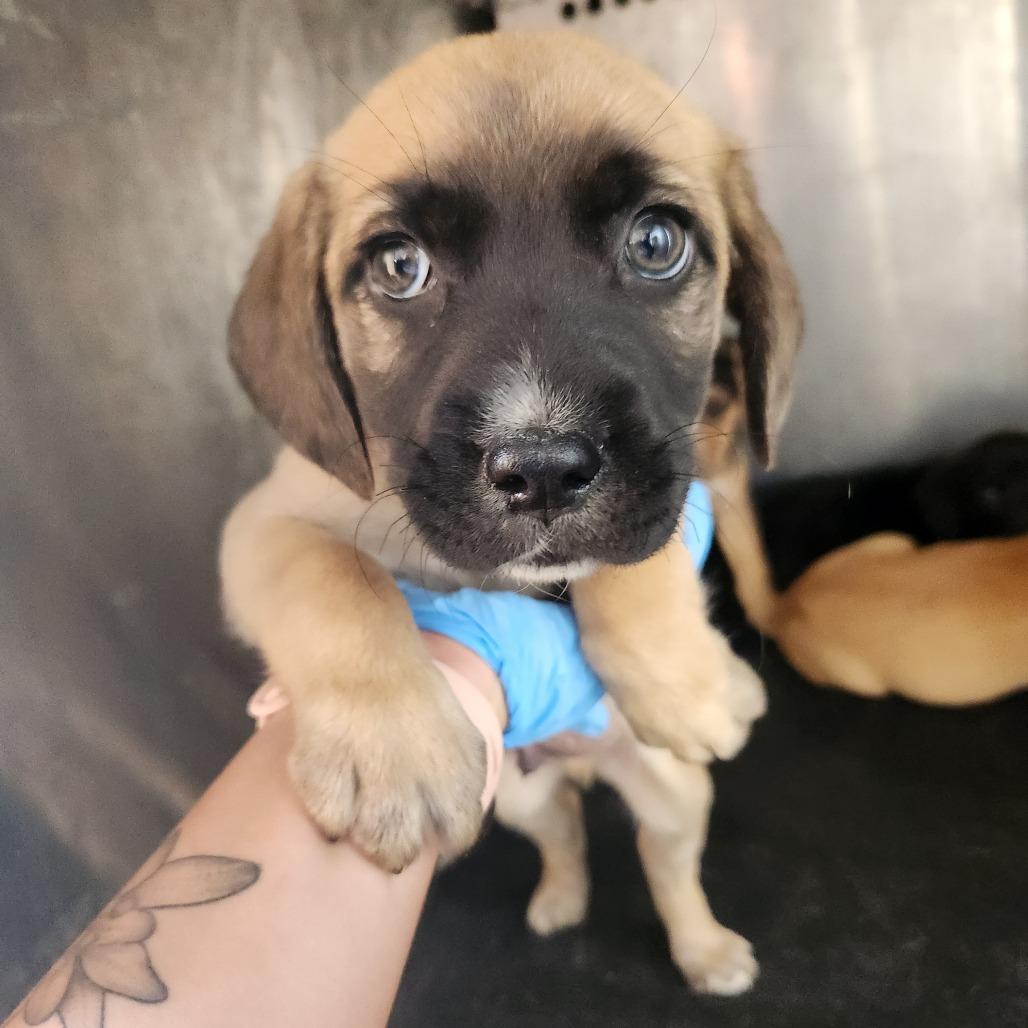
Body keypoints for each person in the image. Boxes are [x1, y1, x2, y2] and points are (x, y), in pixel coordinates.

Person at [4, 487, 714, 1028]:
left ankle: (692, 921)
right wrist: (454, 670)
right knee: (534, 809)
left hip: (600, 703)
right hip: (505, 711)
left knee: (676, 803)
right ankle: (566, 866)